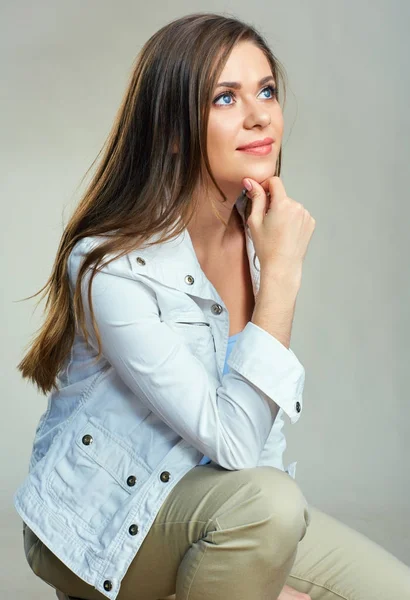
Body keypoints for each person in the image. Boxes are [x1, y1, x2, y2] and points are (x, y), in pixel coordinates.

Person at [14, 11, 410, 600]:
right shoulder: (109, 267)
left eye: (266, 91)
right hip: (94, 526)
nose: (259, 116)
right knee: (271, 507)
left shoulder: (253, 241)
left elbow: (257, 452)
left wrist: (262, 570)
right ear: (172, 128)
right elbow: (233, 443)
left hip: (224, 510)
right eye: (225, 98)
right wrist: (282, 274)